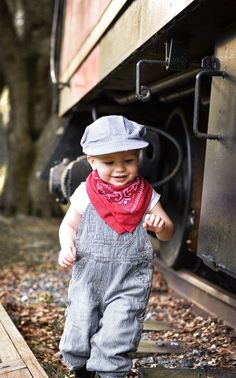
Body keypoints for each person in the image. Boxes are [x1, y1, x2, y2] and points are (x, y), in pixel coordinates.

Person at [58, 115, 174, 378]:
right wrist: (66, 246)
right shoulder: (85, 193)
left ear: (138, 157)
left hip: (129, 281)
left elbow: (168, 233)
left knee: (120, 330)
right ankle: (81, 370)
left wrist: (160, 226)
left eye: (129, 160)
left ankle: (110, 373)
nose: (120, 169)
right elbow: (68, 226)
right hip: (88, 277)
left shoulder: (146, 195)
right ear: (91, 161)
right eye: (109, 162)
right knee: (80, 326)